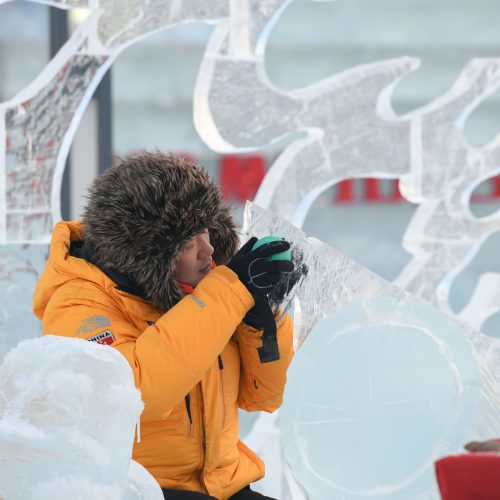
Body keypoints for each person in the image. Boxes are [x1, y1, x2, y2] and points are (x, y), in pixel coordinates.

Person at [33, 151, 295, 500]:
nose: (208, 250)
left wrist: (263, 316)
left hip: (223, 485)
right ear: (148, 256)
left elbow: (264, 396)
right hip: (136, 489)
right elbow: (138, 395)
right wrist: (231, 292)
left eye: (205, 231)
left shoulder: (205, 291)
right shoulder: (78, 304)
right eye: (188, 243)